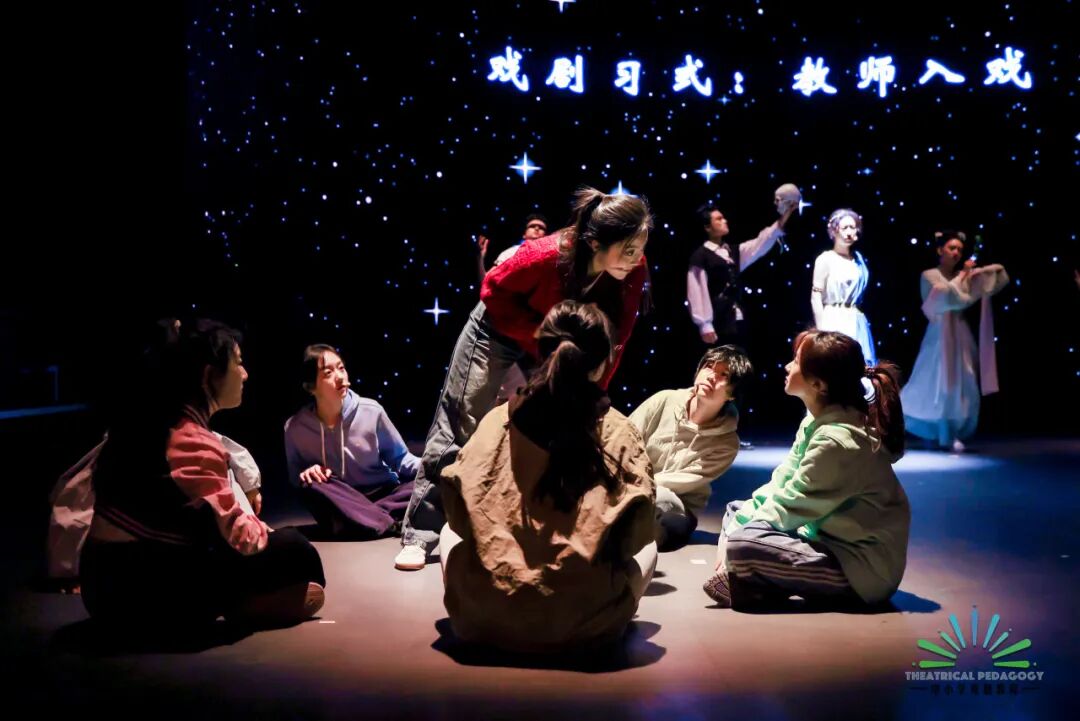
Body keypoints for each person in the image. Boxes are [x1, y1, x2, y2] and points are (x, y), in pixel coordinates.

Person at [395, 187, 654, 570]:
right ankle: (421, 532)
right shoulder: (545, 254)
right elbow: (492, 290)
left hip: (557, 341)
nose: (636, 260)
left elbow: (615, 339)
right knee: (461, 419)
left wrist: (591, 396)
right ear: (595, 242)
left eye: (640, 250)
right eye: (628, 250)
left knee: (564, 425)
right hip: (499, 327)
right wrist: (537, 335)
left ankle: (539, 527)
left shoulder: (633, 270)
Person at [439, 301, 656, 651]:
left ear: (541, 351)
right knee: (651, 550)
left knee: (447, 533)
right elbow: (638, 534)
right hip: (587, 630)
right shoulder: (620, 430)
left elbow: (457, 512)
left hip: (484, 621)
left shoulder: (498, 420)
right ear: (605, 362)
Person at [81, 319, 326, 629]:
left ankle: (249, 600)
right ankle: (242, 604)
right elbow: (238, 537)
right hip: (139, 590)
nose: (245, 374)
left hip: (102, 587)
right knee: (296, 549)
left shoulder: (151, 425)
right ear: (209, 375)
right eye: (238, 363)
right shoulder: (189, 439)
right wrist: (264, 532)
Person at [702, 330, 910, 610]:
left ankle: (752, 581)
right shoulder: (816, 421)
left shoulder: (838, 441)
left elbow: (792, 505)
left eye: (797, 362)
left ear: (818, 384)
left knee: (743, 543)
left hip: (859, 570)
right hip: (821, 536)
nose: (787, 366)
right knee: (737, 511)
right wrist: (742, 523)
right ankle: (749, 577)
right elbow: (782, 483)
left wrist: (733, 541)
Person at [284, 344, 419, 537]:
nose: (340, 376)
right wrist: (307, 472)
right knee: (311, 483)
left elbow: (401, 459)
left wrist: (433, 468)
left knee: (425, 488)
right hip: (339, 498)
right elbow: (295, 479)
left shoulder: (372, 411)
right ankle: (384, 522)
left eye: (341, 368)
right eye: (328, 373)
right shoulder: (295, 428)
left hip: (383, 494)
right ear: (310, 387)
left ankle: (363, 522)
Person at [629, 345, 752, 551]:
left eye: (723, 374)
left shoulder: (727, 444)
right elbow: (627, 439)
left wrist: (632, 488)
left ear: (732, 393)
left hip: (675, 505)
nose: (711, 376)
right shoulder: (664, 400)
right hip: (632, 485)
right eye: (709, 366)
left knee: (659, 501)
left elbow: (676, 482)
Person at [900, 230, 1009, 452]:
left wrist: (974, 273)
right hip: (939, 333)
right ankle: (938, 432)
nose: (956, 253)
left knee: (962, 380)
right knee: (938, 381)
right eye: (952, 248)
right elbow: (945, 296)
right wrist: (964, 276)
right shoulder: (929, 275)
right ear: (940, 250)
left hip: (959, 332)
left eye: (959, 249)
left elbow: (995, 276)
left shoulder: (962, 276)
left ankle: (951, 432)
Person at [811, 208, 877, 365]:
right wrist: (821, 330)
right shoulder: (826, 259)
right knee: (836, 362)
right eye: (844, 227)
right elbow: (816, 296)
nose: (849, 232)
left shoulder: (858, 260)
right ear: (834, 231)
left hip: (855, 318)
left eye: (852, 227)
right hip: (833, 317)